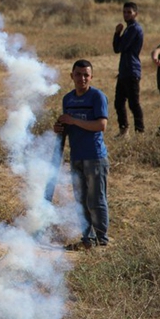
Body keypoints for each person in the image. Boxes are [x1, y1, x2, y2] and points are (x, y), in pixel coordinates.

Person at [54, 60, 109, 250]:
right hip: (76, 156)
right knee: (80, 200)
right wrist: (60, 127)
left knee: (96, 199)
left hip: (94, 157)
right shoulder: (67, 99)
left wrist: (73, 120)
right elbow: (68, 125)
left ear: (91, 77)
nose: (82, 78)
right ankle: (88, 238)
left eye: (86, 75)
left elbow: (101, 125)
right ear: (72, 76)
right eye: (78, 74)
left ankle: (102, 240)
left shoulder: (97, 97)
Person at [112, 2, 144, 136]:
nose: (126, 14)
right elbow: (116, 49)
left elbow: (120, 47)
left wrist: (117, 33)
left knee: (133, 104)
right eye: (124, 12)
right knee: (119, 103)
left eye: (129, 12)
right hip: (124, 71)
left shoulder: (134, 29)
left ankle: (140, 131)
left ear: (135, 14)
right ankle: (124, 130)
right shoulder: (129, 28)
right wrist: (118, 34)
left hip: (131, 70)